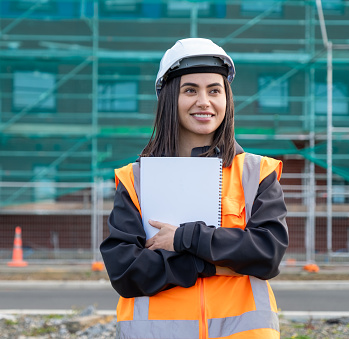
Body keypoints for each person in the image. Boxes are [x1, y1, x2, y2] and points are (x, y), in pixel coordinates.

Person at [100, 38, 289, 339]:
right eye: (190, 90)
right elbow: (126, 273)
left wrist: (183, 238)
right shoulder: (136, 178)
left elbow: (267, 254)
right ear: (169, 98)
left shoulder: (256, 173)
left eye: (214, 90)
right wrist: (219, 264)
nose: (204, 101)